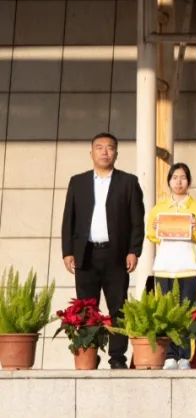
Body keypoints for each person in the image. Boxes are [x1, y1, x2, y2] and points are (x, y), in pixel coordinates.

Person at [61, 132, 145, 369]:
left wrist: (134, 250)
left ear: (116, 153)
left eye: (109, 148)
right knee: (86, 308)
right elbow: (69, 219)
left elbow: (137, 220)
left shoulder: (128, 182)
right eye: (99, 147)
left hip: (116, 254)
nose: (104, 152)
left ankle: (117, 357)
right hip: (85, 254)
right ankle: (89, 353)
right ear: (91, 153)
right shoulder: (78, 182)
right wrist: (67, 251)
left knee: (118, 307)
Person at [146, 162, 196, 369]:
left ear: (189, 182)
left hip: (189, 267)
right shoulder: (159, 209)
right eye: (174, 178)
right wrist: (155, 228)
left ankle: (185, 356)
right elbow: (151, 235)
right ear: (169, 182)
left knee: (187, 312)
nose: (178, 182)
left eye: (183, 178)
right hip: (165, 267)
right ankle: (169, 355)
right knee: (166, 312)